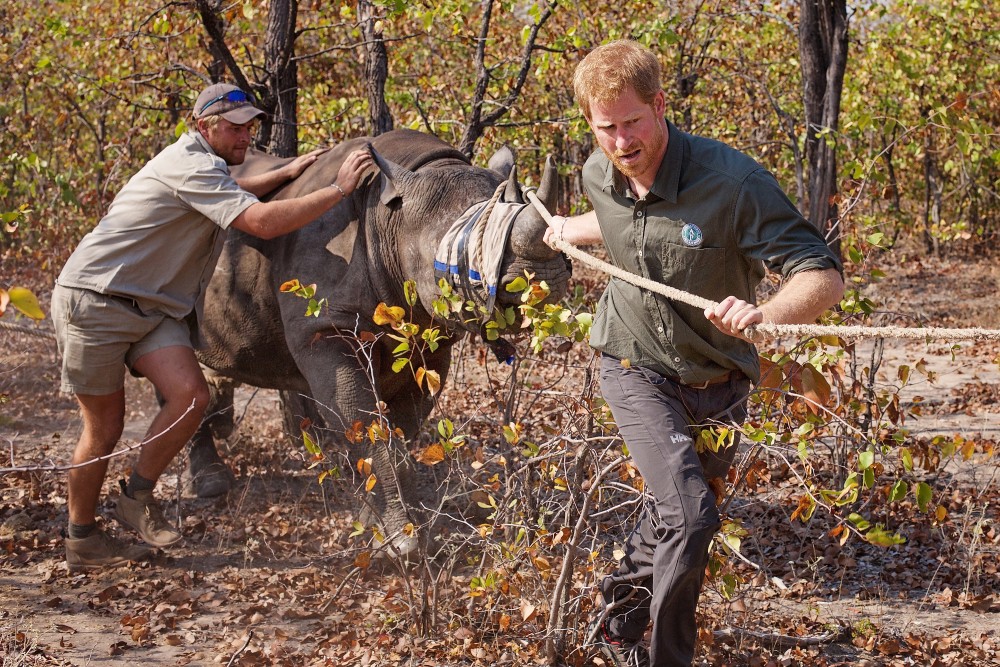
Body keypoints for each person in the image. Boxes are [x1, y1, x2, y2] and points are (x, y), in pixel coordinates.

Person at [546, 41, 845, 667]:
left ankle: (622, 617)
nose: (621, 142)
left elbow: (822, 274)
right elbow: (621, 217)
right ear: (590, 124)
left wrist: (766, 313)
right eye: (606, 128)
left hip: (719, 377)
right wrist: (568, 228)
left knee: (674, 513)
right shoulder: (598, 175)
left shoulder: (732, 183)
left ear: (660, 107)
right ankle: (664, 657)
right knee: (691, 517)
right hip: (632, 362)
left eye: (633, 123)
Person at [51, 82, 373, 572]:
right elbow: (262, 222)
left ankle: (135, 498)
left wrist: (288, 171)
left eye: (251, 127)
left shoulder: (204, 166)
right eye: (235, 127)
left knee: (191, 397)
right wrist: (338, 188)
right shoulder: (189, 163)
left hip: (153, 308)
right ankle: (82, 539)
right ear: (204, 127)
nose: (246, 136)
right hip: (95, 301)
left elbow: (232, 190)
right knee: (105, 427)